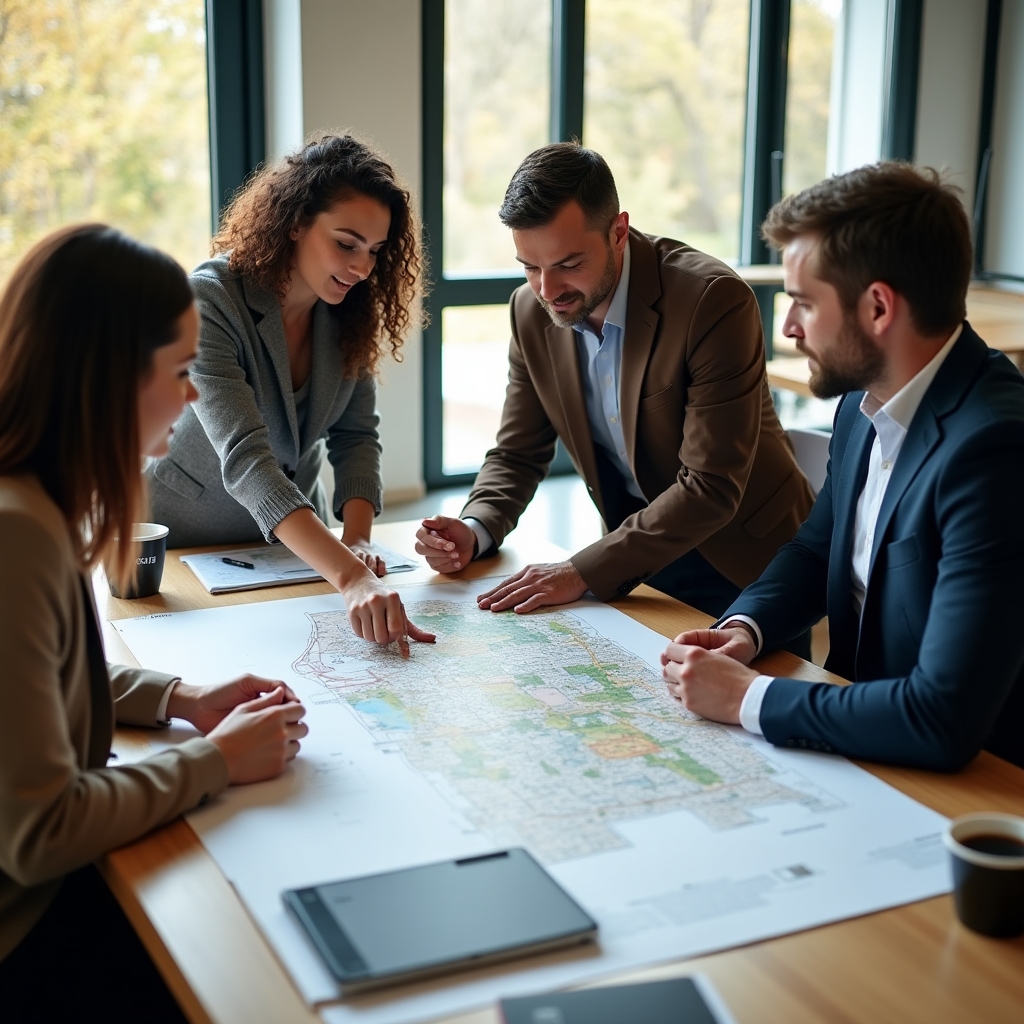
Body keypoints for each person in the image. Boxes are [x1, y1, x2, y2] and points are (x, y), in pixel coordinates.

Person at [0, 225, 309, 1021]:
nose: (194, 395)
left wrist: (178, 698)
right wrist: (214, 759)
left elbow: (33, 685)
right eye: (179, 371)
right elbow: (42, 830)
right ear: (107, 380)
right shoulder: (17, 534)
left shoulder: (32, 500)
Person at [660, 163, 1024, 772]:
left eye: (803, 301)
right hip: (851, 741)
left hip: (966, 786)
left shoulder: (995, 451)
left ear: (878, 307)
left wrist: (748, 697)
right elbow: (815, 550)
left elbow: (943, 718)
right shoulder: (862, 401)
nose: (788, 327)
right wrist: (747, 627)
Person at [416, 143, 814, 623]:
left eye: (567, 264)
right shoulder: (530, 309)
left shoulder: (712, 301)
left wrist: (578, 571)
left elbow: (710, 487)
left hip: (745, 562)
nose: (547, 290)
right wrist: (474, 528)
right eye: (530, 266)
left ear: (619, 232)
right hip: (635, 559)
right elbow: (518, 451)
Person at [146, 134, 433, 649]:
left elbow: (356, 436)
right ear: (296, 222)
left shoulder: (350, 311)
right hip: (186, 544)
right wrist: (350, 576)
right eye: (346, 244)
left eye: (375, 251)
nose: (362, 268)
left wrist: (359, 539)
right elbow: (247, 458)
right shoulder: (212, 300)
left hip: (297, 549)